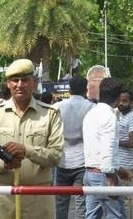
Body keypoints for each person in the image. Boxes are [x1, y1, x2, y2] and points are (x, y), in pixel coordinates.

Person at [0, 59, 63, 219]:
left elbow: (56, 156)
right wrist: (3, 164)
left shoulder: (50, 114)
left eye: (25, 80)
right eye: (15, 80)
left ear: (34, 83)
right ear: (8, 84)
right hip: (2, 197)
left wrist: (26, 150)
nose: (20, 84)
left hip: (38, 198)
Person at [83, 77, 131, 219]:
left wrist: (118, 169)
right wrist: (111, 177)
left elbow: (98, 148)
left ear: (100, 93)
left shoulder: (91, 113)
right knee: (116, 215)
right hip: (103, 175)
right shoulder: (109, 116)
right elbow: (107, 147)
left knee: (91, 216)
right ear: (117, 98)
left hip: (90, 173)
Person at [54, 76, 94, 219]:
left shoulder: (58, 107)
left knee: (60, 202)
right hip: (82, 160)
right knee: (81, 202)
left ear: (69, 89)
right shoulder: (91, 107)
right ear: (86, 89)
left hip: (61, 159)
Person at [117, 88, 133, 218]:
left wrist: (113, 142)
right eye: (119, 100)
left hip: (127, 165)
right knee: (118, 200)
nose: (121, 103)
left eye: (125, 101)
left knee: (123, 199)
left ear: (131, 102)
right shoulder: (122, 116)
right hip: (120, 164)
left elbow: (132, 143)